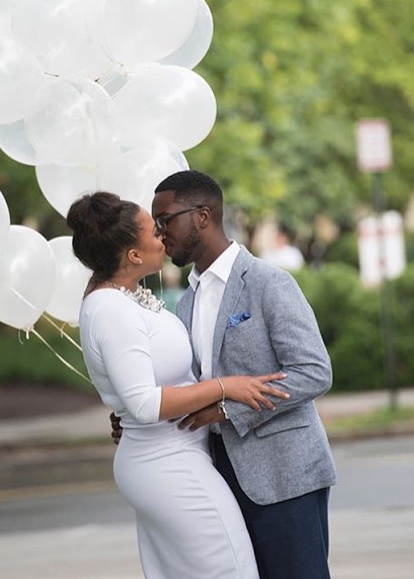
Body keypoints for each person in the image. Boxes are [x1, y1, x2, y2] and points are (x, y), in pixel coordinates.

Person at [114, 171, 337, 579]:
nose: (160, 234)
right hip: (221, 479)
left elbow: (314, 372)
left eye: (166, 220)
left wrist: (226, 409)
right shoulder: (185, 303)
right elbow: (186, 387)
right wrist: (133, 415)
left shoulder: (269, 283)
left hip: (284, 476)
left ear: (202, 215)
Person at [67, 191, 289, 579]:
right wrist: (226, 387)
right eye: (153, 231)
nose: (162, 236)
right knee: (231, 569)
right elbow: (145, 404)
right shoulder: (109, 309)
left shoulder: (125, 297)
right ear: (134, 255)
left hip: (177, 457)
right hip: (167, 466)